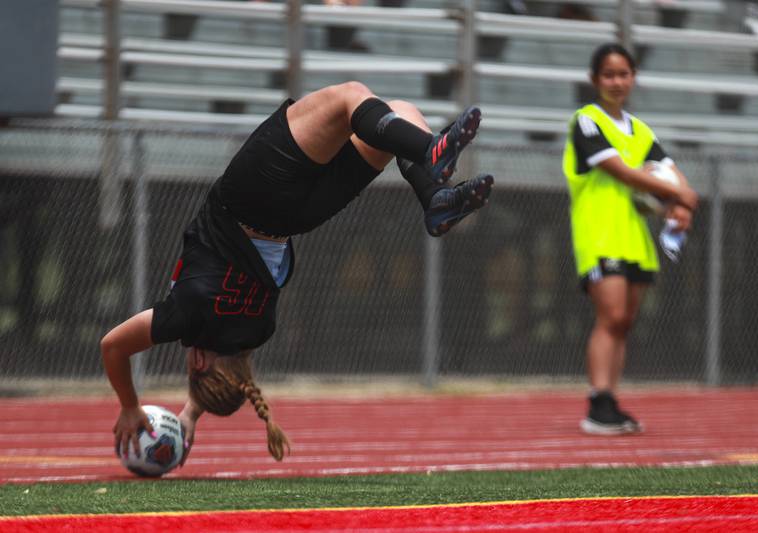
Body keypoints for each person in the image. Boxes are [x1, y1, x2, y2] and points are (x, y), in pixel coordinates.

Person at [101, 81, 493, 464]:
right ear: (198, 363)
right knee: (348, 97)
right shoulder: (183, 316)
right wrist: (129, 406)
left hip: (300, 216)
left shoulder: (257, 330)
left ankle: (437, 199)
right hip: (252, 197)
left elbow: (229, 366)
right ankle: (430, 154)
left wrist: (191, 413)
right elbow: (113, 347)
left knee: (401, 113)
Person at [562, 43, 698, 436]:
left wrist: (682, 203)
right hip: (600, 231)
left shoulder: (641, 130)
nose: (617, 81)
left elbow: (669, 169)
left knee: (625, 321)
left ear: (633, 77)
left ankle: (610, 400)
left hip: (634, 235)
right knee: (612, 316)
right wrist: (680, 195)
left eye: (624, 74)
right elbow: (620, 171)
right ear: (595, 80)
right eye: (609, 75)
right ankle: (597, 402)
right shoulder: (586, 120)